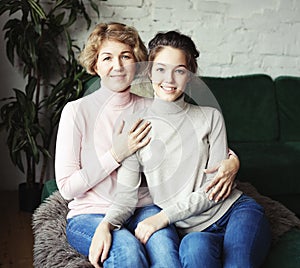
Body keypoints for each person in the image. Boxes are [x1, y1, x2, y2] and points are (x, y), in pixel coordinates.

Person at [55, 22, 240, 267]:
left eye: (126, 56)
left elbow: (197, 146)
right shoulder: (76, 111)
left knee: (168, 258)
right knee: (129, 254)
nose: (118, 66)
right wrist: (116, 154)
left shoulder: (153, 106)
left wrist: (233, 162)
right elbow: (67, 188)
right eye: (107, 57)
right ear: (95, 65)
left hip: (144, 208)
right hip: (90, 214)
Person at [102, 30, 272, 267]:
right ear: (149, 72)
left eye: (179, 70)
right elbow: (126, 196)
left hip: (235, 212)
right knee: (193, 253)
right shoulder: (136, 128)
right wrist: (106, 225)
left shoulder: (210, 117)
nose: (169, 79)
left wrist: (162, 217)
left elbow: (214, 190)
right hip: (193, 232)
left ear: (190, 76)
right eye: (161, 69)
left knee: (238, 263)